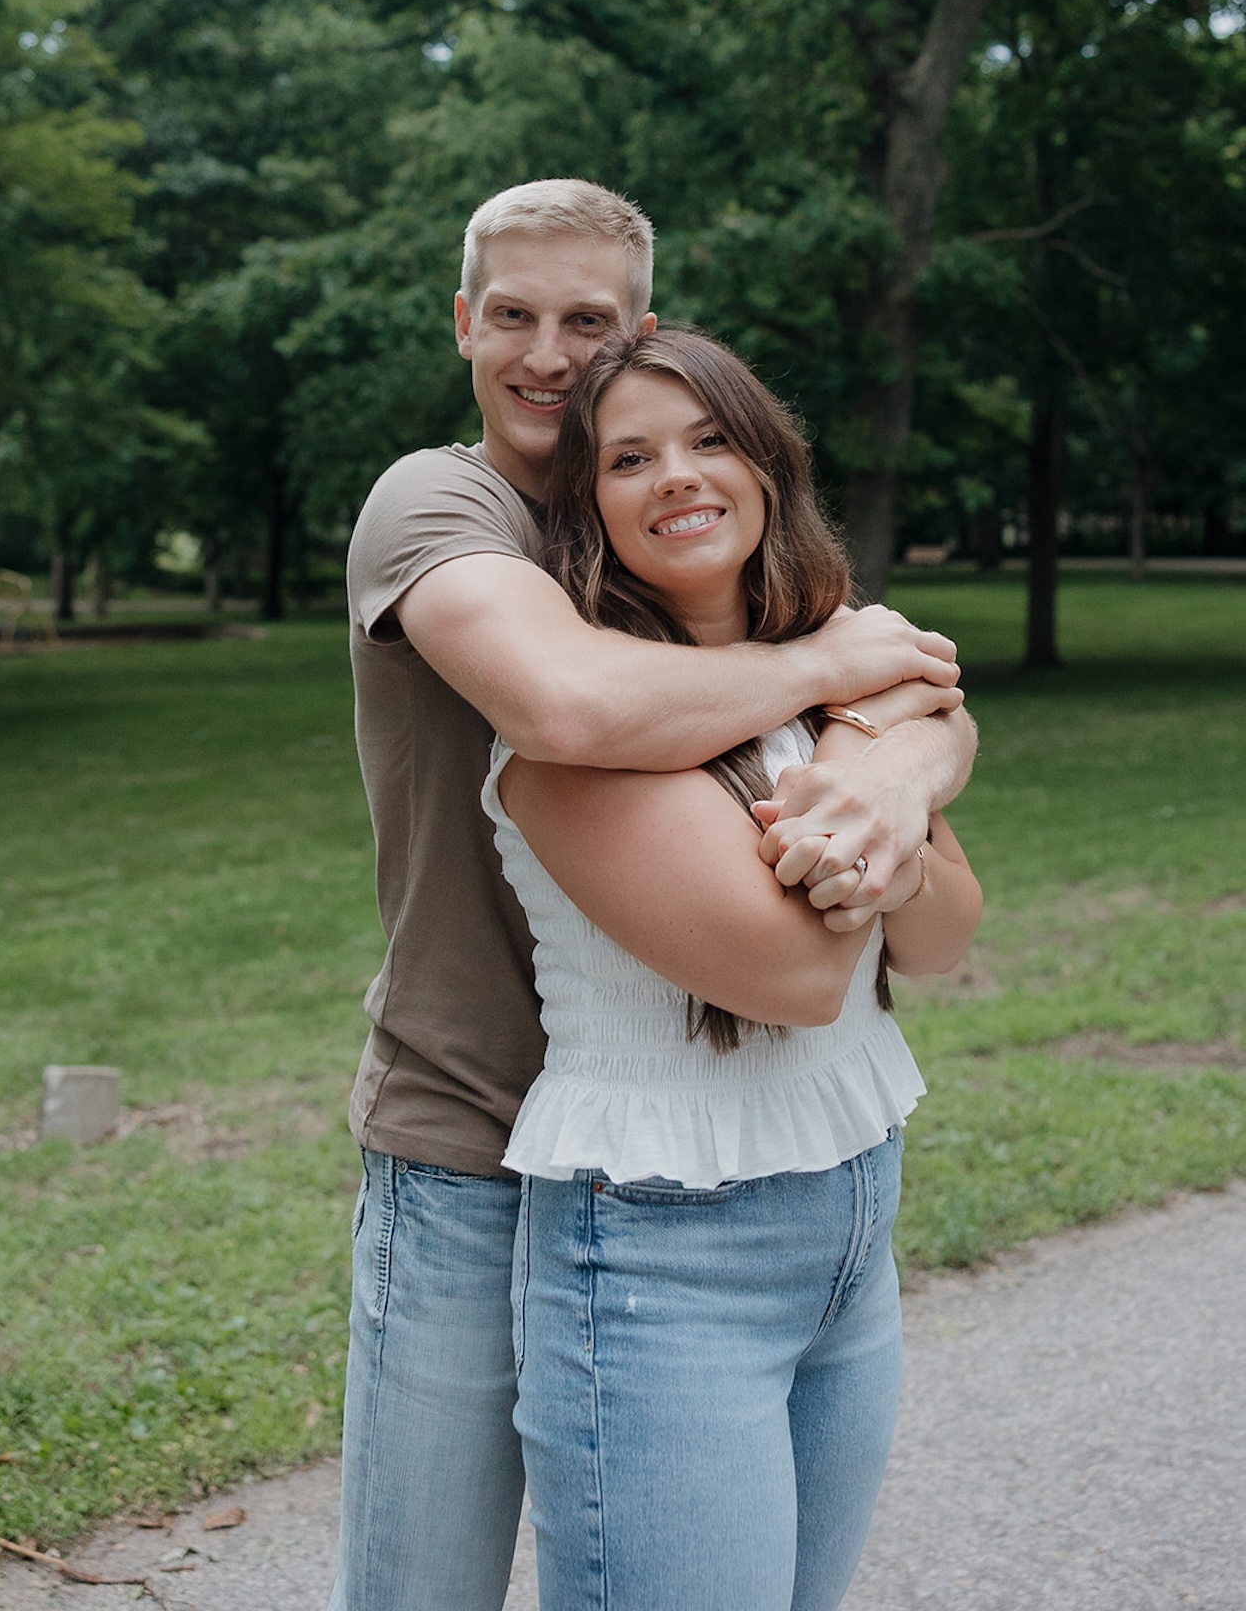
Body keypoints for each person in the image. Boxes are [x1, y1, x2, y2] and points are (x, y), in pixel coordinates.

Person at [333, 180, 976, 1611]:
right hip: (474, 1128)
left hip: (729, 1143)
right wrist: (850, 687)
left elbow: (903, 694)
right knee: (420, 1590)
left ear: (645, 332)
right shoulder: (443, 505)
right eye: (514, 315)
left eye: (589, 321)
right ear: (463, 324)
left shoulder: (673, 533)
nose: (548, 354)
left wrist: (898, 762)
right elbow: (571, 707)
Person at [485, 324, 983, 1611]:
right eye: (629, 458)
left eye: (709, 440)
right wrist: (904, 755)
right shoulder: (576, 745)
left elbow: (939, 939)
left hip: (848, 1227)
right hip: (658, 1256)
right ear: (588, 508)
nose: (679, 477)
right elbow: (796, 980)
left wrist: (891, 790)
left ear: (765, 464)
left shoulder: (838, 684)